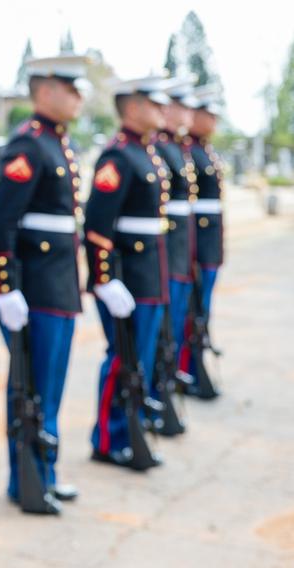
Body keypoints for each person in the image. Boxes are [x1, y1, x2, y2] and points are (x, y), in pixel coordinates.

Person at [0, 54, 90, 512]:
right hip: (36, 292)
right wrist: (6, 286)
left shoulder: (56, 143)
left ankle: (45, 473)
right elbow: (4, 224)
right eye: (71, 88)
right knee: (31, 391)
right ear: (46, 89)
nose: (78, 97)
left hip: (59, 289)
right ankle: (26, 482)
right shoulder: (28, 146)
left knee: (50, 391)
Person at [84, 76, 171, 470]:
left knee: (141, 362)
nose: (162, 111)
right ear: (133, 107)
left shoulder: (146, 154)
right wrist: (104, 279)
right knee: (123, 359)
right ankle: (107, 438)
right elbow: (98, 226)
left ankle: (130, 429)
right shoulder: (118, 157)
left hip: (150, 276)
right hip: (130, 279)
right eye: (154, 104)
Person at [153, 75, 198, 411]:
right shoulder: (158, 147)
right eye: (179, 106)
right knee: (161, 332)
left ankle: (166, 389)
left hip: (182, 250)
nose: (186, 114)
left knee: (177, 325)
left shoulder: (177, 148)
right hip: (165, 253)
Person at [183, 84, 225, 397]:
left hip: (210, 244)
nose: (212, 120)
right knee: (193, 313)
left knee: (203, 311)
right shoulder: (189, 152)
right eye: (206, 114)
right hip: (197, 244)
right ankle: (188, 371)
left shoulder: (204, 150)